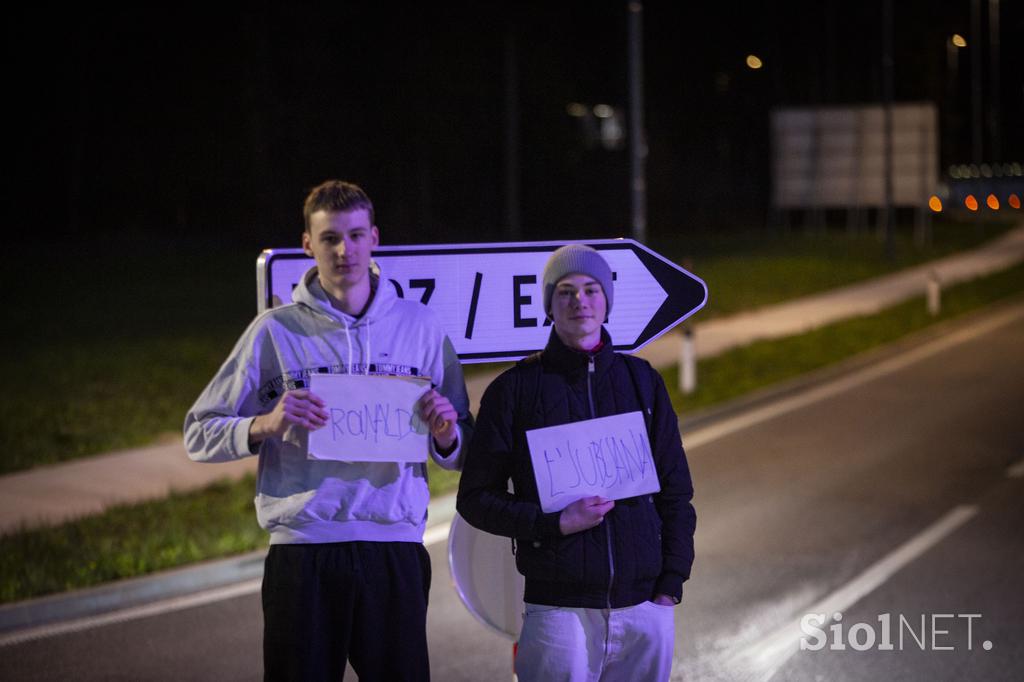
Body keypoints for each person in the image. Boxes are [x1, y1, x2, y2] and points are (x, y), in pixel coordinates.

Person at [184, 180, 472, 682]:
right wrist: (265, 424)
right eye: (331, 238)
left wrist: (445, 432)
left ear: (375, 238)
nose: (345, 250)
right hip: (303, 549)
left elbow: (460, 445)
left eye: (356, 235)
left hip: (394, 546)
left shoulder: (421, 327)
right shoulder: (274, 331)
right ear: (307, 245)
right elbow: (197, 432)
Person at [456, 244, 696, 682]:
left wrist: (670, 585)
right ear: (549, 305)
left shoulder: (642, 382)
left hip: (644, 605)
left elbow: (676, 491)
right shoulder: (514, 391)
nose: (579, 301)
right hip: (557, 610)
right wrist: (555, 523)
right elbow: (475, 500)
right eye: (565, 292)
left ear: (607, 301)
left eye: (590, 290)